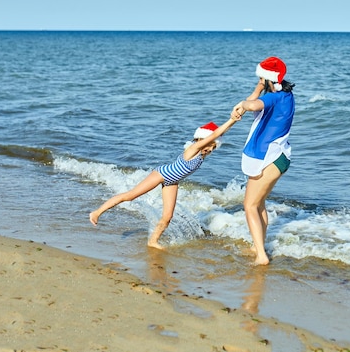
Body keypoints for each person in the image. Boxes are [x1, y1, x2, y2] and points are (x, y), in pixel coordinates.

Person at [89, 119, 238, 249]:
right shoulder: (194, 149)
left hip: (173, 181)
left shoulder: (202, 154)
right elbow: (214, 134)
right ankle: (96, 212)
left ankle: (153, 241)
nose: (210, 148)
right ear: (201, 139)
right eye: (209, 145)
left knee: (167, 216)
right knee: (130, 196)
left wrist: (237, 118)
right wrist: (231, 120)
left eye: (213, 147)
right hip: (161, 174)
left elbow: (217, 135)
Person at [232, 56, 295, 265]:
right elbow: (254, 102)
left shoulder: (273, 99)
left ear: (268, 78)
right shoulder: (286, 96)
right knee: (259, 204)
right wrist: (258, 88)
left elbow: (253, 105)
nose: (259, 80)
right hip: (281, 158)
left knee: (249, 205)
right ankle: (257, 246)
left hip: (269, 158)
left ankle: (261, 255)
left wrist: (242, 103)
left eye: (261, 77)